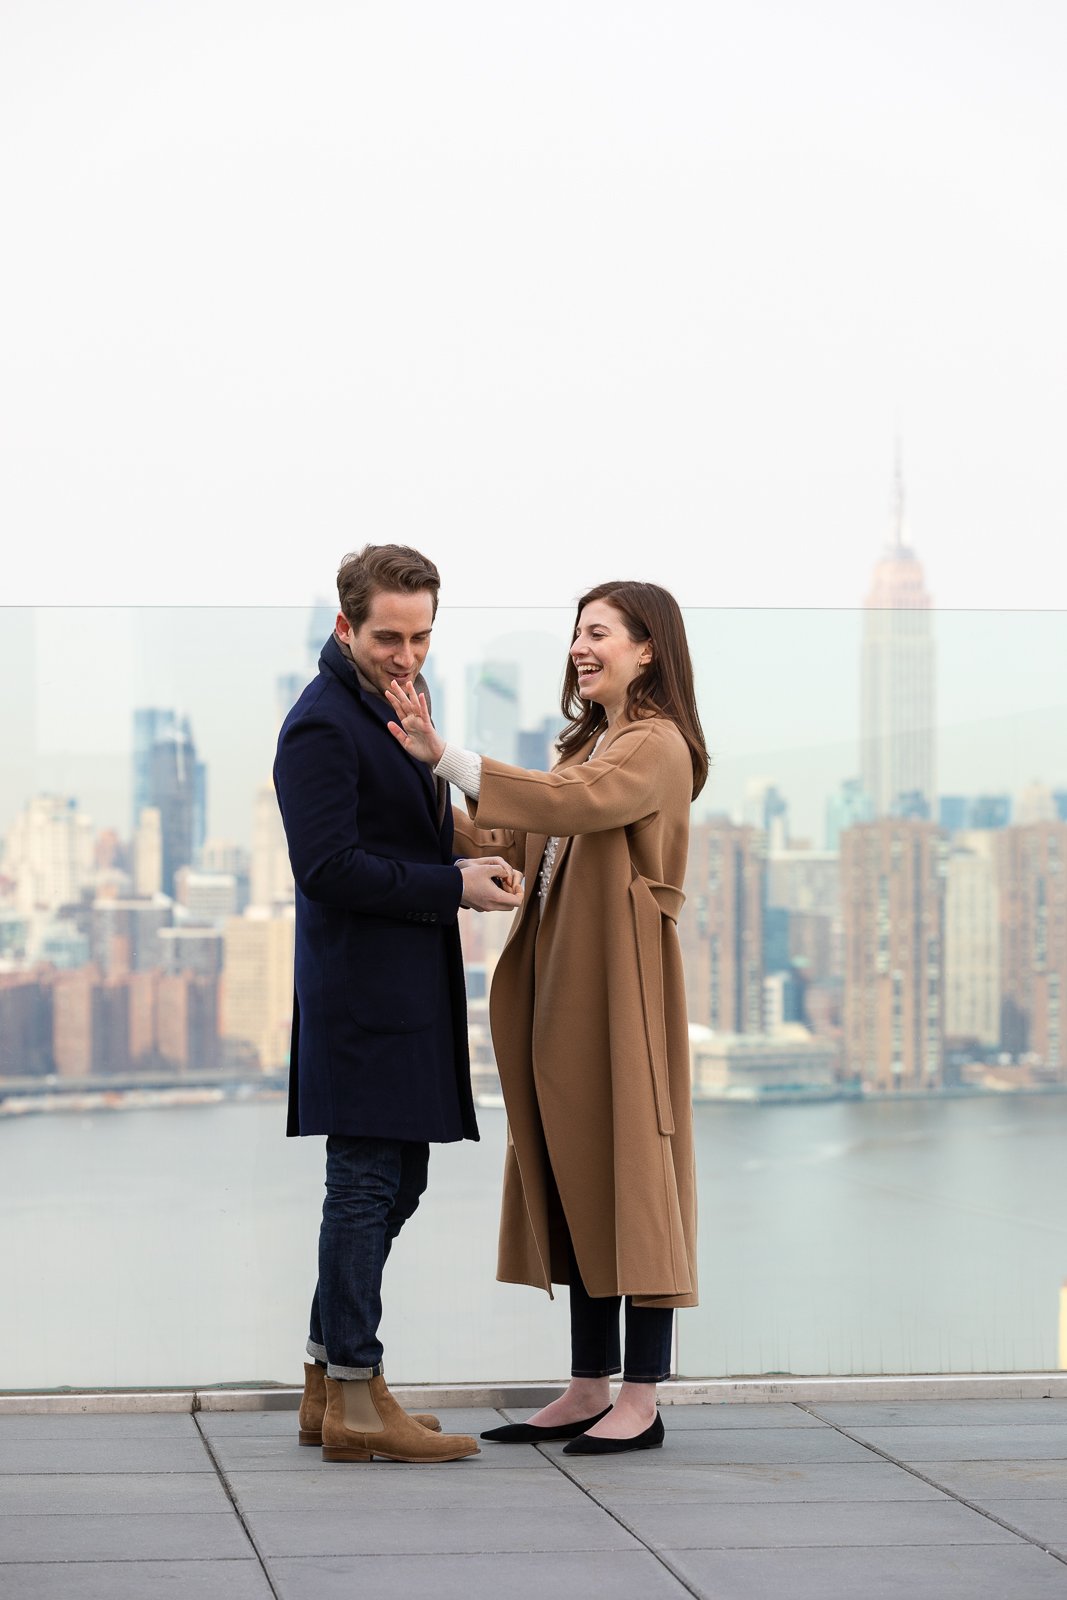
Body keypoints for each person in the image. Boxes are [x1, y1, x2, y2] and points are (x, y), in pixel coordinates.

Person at [386, 579, 708, 1455]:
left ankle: (638, 1399)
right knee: (574, 1173)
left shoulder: (654, 746)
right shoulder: (590, 748)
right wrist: (409, 781)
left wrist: (446, 755)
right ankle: (586, 1385)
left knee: (633, 1178)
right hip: (562, 987)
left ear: (648, 648)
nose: (579, 647)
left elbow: (577, 807)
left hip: (621, 988)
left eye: (598, 632)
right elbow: (517, 839)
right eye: (576, 634)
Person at [273, 544, 523, 1464]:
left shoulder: (390, 710)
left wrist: (462, 842)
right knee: (367, 1184)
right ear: (346, 627)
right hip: (360, 997)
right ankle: (356, 1395)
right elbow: (327, 867)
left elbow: (400, 832)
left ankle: (326, 1383)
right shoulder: (321, 726)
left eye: (420, 636)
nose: (406, 654)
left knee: (393, 1183)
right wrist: (453, 883)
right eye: (388, 636)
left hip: (400, 991)